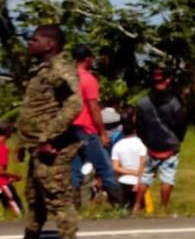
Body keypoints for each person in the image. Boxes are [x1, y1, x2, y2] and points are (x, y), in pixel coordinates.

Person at [0, 24, 83, 239]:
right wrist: (23, 143)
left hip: (53, 148)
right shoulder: (43, 69)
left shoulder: (60, 69)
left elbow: (74, 105)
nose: (30, 43)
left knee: (58, 199)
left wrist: (48, 137)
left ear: (50, 44)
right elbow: (37, 109)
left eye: (34, 39)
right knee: (35, 197)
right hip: (37, 146)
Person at [69, 45, 124, 208]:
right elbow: (94, 108)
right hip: (86, 130)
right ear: (87, 59)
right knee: (105, 167)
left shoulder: (68, 79)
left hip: (69, 130)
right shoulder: (88, 79)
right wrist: (102, 133)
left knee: (75, 171)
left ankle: (74, 206)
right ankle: (120, 206)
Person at [135, 68, 188, 214]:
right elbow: (181, 125)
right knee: (167, 179)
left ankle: (136, 207)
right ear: (168, 80)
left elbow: (139, 126)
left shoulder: (143, 103)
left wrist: (146, 141)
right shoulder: (175, 103)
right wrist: (178, 140)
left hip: (151, 145)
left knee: (145, 178)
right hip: (170, 146)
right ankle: (164, 209)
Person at [110, 107, 147, 212]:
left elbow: (115, 167)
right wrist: (137, 177)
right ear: (135, 129)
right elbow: (143, 166)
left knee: (124, 211)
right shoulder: (141, 145)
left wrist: (130, 172)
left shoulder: (117, 146)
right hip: (138, 183)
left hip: (122, 182)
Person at [0, 121, 23, 216]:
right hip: (2, 184)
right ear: (7, 131)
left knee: (8, 210)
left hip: (3, 182)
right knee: (17, 209)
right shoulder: (2, 148)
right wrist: (16, 176)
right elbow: (0, 171)